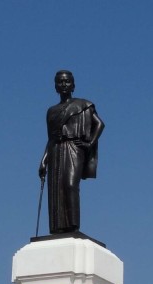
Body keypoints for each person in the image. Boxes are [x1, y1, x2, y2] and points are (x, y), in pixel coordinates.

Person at [38, 70, 105, 234]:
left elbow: (99, 124)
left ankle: (73, 225)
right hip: (56, 149)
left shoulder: (83, 105)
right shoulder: (51, 111)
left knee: (70, 185)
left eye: (67, 81)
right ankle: (58, 227)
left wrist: (89, 143)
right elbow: (50, 138)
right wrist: (43, 160)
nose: (63, 84)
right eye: (60, 82)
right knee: (56, 188)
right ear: (55, 86)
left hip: (74, 148)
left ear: (73, 85)